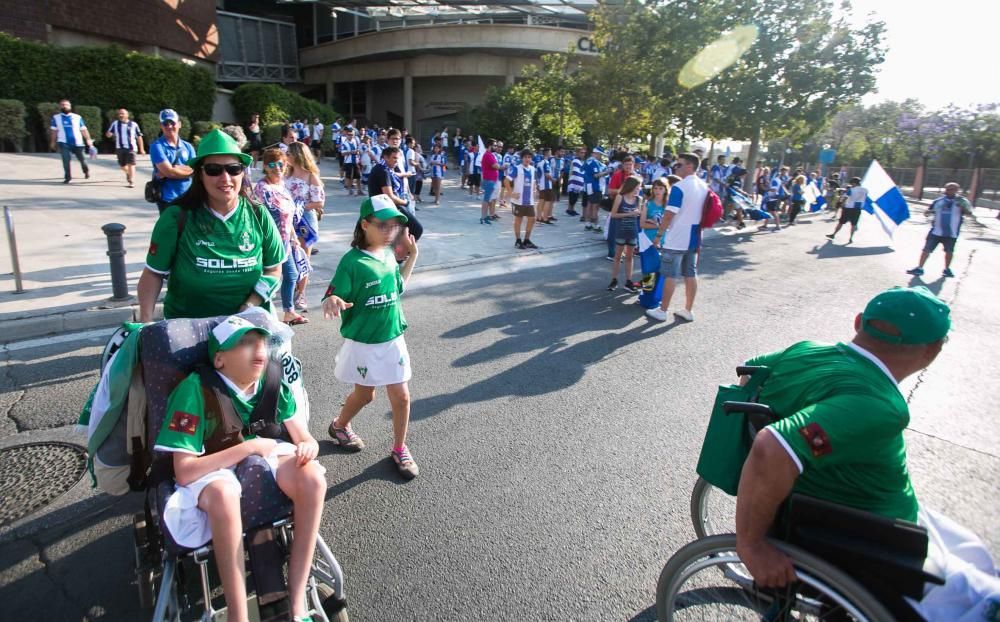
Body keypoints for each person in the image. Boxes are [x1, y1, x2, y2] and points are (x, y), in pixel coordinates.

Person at [733, 286, 999, 622]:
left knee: (975, 557)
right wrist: (752, 545)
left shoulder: (806, 350)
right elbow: (773, 447)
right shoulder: (879, 406)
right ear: (933, 350)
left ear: (859, 322)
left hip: (849, 506)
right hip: (873, 538)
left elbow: (749, 372)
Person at [154, 315, 324, 622]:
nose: (257, 348)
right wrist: (247, 447)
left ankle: (298, 606)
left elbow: (303, 437)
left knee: (313, 478)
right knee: (223, 493)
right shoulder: (195, 391)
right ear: (220, 359)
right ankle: (238, 615)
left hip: (263, 459)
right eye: (244, 343)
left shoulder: (272, 381)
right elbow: (185, 471)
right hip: (212, 467)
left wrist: (309, 446)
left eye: (260, 341)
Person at [137, 129, 285, 323]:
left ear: (242, 172)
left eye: (233, 169)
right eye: (214, 170)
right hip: (188, 328)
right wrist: (145, 325)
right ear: (200, 174)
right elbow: (153, 274)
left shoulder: (259, 214)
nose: (225, 178)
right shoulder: (175, 217)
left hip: (247, 326)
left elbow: (274, 270)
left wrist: (249, 306)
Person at [322, 195, 420, 479]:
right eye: (383, 225)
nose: (390, 231)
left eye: (394, 226)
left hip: (392, 338)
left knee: (401, 396)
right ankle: (339, 425)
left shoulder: (390, 254)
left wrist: (412, 255)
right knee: (366, 395)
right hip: (364, 343)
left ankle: (400, 448)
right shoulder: (352, 262)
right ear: (365, 224)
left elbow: (399, 288)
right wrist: (333, 301)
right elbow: (333, 294)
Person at [647, 153, 707, 323]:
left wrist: (658, 236)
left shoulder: (680, 187)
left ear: (689, 166)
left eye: (679, 165)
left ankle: (662, 310)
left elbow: (668, 215)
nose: (675, 168)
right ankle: (688, 309)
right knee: (690, 272)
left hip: (678, 236)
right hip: (695, 235)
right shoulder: (704, 186)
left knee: (669, 274)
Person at [253, 149, 308, 326]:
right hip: (269, 242)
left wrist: (293, 236)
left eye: (281, 164)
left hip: (285, 240)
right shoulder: (262, 188)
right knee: (270, 278)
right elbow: (258, 217)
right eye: (272, 164)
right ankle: (260, 312)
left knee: (292, 275)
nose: (277, 167)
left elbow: (288, 215)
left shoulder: (282, 186)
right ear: (265, 167)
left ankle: (289, 313)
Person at [285, 142, 326, 309]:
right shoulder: (285, 175)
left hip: (305, 221)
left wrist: (300, 207)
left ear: (297, 155)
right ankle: (290, 289)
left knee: (302, 258)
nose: (286, 156)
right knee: (288, 257)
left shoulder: (311, 176)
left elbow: (319, 202)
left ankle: (301, 294)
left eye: (288, 153)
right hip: (287, 220)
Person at [907, 183, 974, 279]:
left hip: (951, 233)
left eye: (951, 189)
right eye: (947, 189)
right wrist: (927, 212)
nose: (948, 191)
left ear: (956, 190)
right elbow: (929, 211)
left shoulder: (962, 201)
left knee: (949, 251)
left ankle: (947, 269)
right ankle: (920, 268)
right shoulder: (939, 201)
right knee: (926, 249)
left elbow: (969, 213)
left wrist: (962, 207)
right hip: (936, 231)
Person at [149, 109, 196, 214]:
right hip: (168, 199)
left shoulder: (188, 147)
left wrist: (176, 169)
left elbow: (195, 170)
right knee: (170, 229)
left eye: (172, 123)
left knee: (188, 229)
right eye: (165, 123)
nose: (169, 126)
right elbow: (169, 172)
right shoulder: (156, 146)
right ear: (161, 126)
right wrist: (185, 171)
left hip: (188, 197)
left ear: (179, 124)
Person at [608, 177, 643, 293]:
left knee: (629, 257)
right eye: (637, 187)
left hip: (632, 231)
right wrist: (631, 213)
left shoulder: (639, 199)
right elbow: (613, 215)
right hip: (621, 231)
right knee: (618, 256)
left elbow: (639, 214)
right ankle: (614, 279)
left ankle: (628, 281)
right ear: (630, 186)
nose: (638, 190)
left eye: (639, 187)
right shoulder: (620, 197)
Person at [49, 98, 95, 184]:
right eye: (62, 105)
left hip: (78, 143)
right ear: (60, 107)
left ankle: (86, 171)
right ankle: (67, 177)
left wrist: (88, 140)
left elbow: (84, 130)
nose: (64, 106)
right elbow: (54, 131)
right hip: (63, 143)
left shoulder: (77, 117)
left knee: (82, 160)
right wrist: (52, 142)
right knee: (66, 160)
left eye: (66, 105)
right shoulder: (56, 118)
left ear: (70, 106)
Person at [508, 149, 539, 250]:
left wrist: (534, 189)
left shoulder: (533, 169)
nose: (527, 159)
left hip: (529, 200)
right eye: (525, 157)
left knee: (532, 219)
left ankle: (527, 240)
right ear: (522, 158)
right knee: (518, 220)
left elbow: (533, 181)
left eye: (529, 157)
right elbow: (506, 181)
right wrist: (511, 193)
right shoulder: (517, 168)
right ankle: (518, 241)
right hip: (518, 200)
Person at [106, 107, 144, 188]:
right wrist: (109, 134)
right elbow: (109, 133)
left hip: (131, 148)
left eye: (123, 113)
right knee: (122, 165)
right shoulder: (115, 124)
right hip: (120, 148)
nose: (121, 115)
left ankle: (131, 181)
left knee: (131, 164)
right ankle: (128, 173)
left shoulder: (134, 125)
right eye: (119, 114)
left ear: (127, 115)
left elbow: (139, 137)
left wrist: (142, 149)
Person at [826, 176, 867, 243]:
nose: (851, 185)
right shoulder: (865, 190)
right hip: (858, 208)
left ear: (854, 183)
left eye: (852, 183)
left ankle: (833, 234)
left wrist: (841, 203)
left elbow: (845, 197)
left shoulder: (851, 190)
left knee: (841, 222)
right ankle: (851, 238)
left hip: (849, 207)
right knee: (854, 224)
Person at [583, 147, 610, 232]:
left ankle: (588, 224)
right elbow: (596, 175)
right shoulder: (594, 162)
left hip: (588, 186)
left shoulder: (588, 161)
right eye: (600, 154)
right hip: (595, 187)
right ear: (597, 153)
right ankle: (596, 225)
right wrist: (608, 172)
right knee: (595, 206)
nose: (601, 156)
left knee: (589, 205)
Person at [479, 139, 501, 224]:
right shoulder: (488, 155)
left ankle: (485, 216)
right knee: (486, 199)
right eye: (495, 145)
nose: (496, 147)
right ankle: (483, 217)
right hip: (489, 180)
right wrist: (501, 166)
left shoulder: (490, 154)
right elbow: (496, 166)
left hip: (491, 180)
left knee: (488, 199)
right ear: (489, 146)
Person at [535, 147, 557, 225]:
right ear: (547, 153)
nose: (551, 153)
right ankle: (545, 218)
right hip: (547, 185)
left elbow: (537, 174)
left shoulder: (539, 162)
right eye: (550, 152)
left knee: (541, 201)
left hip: (541, 185)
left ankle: (538, 217)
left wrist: (537, 183)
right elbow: (547, 174)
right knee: (548, 201)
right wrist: (553, 180)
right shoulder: (546, 162)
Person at [340, 128, 360, 196]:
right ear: (347, 135)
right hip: (348, 161)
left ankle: (358, 190)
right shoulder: (345, 143)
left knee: (357, 176)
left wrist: (357, 152)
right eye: (349, 134)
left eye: (352, 135)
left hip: (355, 161)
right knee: (349, 176)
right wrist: (351, 152)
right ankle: (349, 190)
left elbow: (357, 150)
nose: (350, 136)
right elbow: (342, 153)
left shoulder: (354, 141)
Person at [566, 147, 585, 218]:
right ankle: (569, 209)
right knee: (572, 197)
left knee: (575, 197)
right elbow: (575, 172)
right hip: (574, 182)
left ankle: (572, 209)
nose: (583, 154)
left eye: (584, 153)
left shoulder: (581, 161)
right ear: (577, 153)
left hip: (578, 182)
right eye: (581, 152)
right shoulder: (575, 161)